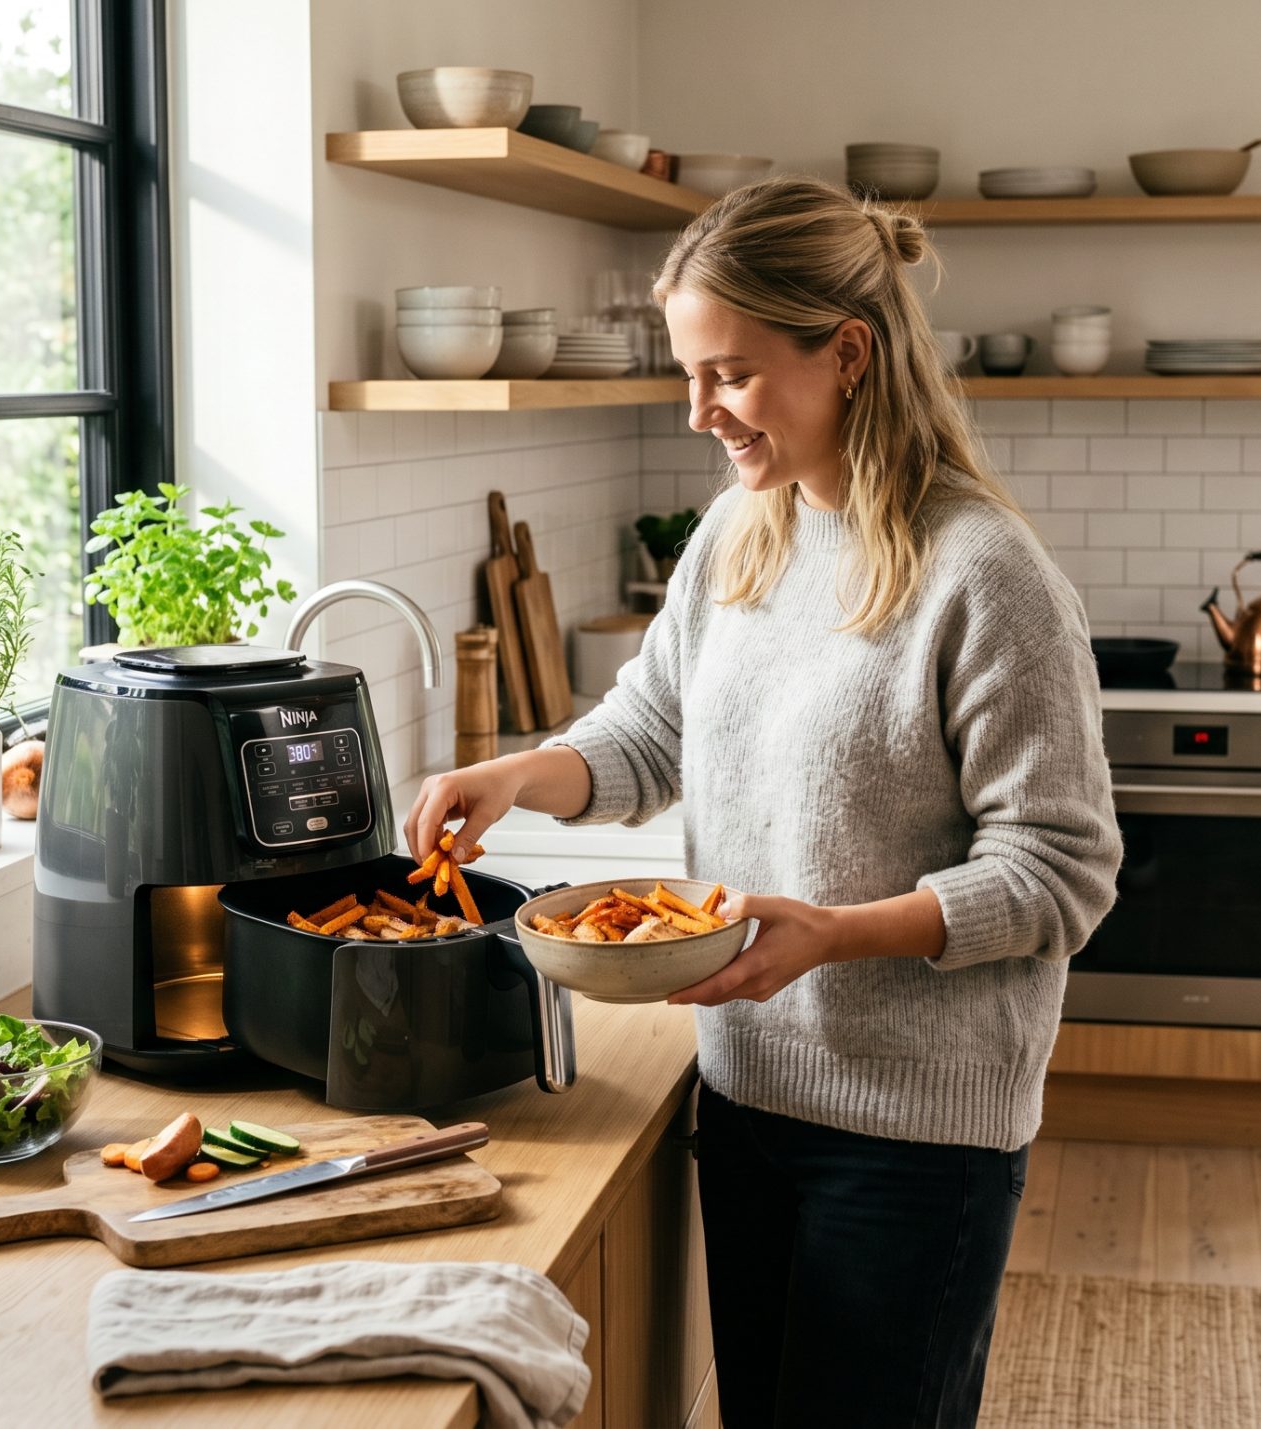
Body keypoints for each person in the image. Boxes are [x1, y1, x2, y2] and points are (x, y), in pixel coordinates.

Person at [407, 175, 1121, 1428]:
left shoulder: (985, 575)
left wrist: (835, 933)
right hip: (744, 1097)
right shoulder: (743, 531)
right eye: (691, 374)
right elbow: (647, 732)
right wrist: (516, 772)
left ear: (846, 353)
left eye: (729, 374)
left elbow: (1060, 872)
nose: (701, 413)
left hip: (915, 1138)